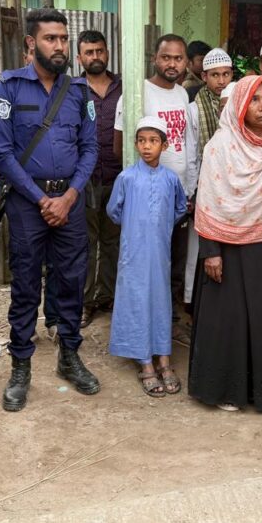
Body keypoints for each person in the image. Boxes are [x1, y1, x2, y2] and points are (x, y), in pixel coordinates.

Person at [0, 9, 99, 412]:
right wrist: (41, 200)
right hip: (26, 204)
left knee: (71, 280)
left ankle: (69, 355)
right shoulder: (8, 88)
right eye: (51, 39)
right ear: (31, 44)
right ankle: (21, 365)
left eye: (63, 39)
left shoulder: (78, 92)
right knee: (24, 287)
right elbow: (0, 152)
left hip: (68, 203)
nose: (60, 46)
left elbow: (89, 148)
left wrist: (69, 196)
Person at [188, 75, 262, 413]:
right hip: (228, 249)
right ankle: (227, 390)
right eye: (254, 99)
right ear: (240, 106)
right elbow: (208, 202)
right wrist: (210, 252)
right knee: (231, 321)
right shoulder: (220, 147)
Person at [113, 34, 195, 316]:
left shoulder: (183, 93)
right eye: (166, 57)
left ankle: (167, 322)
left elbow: (186, 142)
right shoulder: (138, 93)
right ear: (155, 59)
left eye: (178, 58)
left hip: (179, 193)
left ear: (185, 62)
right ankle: (144, 321)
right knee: (147, 262)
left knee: (175, 260)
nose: (172, 64)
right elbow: (119, 146)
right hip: (149, 199)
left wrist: (189, 187)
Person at [107, 116, 188, 397]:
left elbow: (180, 208)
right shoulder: (127, 177)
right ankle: (145, 362)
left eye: (153, 141)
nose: (146, 146)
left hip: (160, 254)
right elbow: (113, 211)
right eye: (141, 141)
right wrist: (136, 227)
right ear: (135, 144)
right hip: (134, 253)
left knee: (160, 301)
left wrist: (159, 226)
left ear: (164, 145)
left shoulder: (170, 179)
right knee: (136, 301)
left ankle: (164, 359)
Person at [76, 29, 122, 328]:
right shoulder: (72, 89)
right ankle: (85, 301)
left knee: (114, 241)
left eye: (100, 51)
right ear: (79, 57)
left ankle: (109, 296)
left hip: (118, 177)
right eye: (89, 52)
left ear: (107, 53)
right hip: (85, 178)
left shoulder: (124, 86)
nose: (95, 56)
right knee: (85, 244)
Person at [183, 47, 233, 306]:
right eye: (215, 75)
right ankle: (194, 300)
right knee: (198, 245)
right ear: (205, 76)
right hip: (204, 184)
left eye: (226, 74)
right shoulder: (194, 109)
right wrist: (192, 191)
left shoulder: (237, 104)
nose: (221, 81)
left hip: (232, 186)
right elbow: (191, 153)